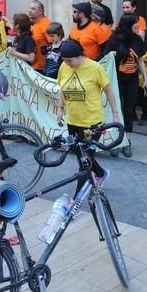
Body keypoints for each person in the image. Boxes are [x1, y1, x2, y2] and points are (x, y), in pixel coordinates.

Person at [55, 39, 120, 194]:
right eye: (64, 61)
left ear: (79, 56)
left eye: (70, 60)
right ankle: (101, 173)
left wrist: (115, 114)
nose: (68, 64)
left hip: (92, 124)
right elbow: (62, 89)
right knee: (82, 157)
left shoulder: (95, 68)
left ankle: (76, 199)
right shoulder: (64, 67)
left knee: (84, 162)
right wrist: (59, 108)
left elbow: (109, 91)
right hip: (73, 121)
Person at [103, 13, 147, 154]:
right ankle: (116, 141)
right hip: (116, 79)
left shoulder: (137, 40)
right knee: (117, 109)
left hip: (132, 79)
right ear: (129, 24)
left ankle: (127, 141)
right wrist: (113, 55)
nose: (138, 26)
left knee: (128, 109)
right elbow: (106, 58)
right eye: (136, 23)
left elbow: (139, 59)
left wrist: (145, 78)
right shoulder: (114, 39)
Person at [122, 0, 147, 124]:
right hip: (123, 69)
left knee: (140, 86)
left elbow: (141, 37)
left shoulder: (140, 20)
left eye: (128, 7)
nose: (125, 10)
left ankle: (144, 113)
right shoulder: (122, 22)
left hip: (137, 55)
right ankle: (130, 115)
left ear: (134, 8)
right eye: (123, 7)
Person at [28, 0, 51, 74]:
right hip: (32, 66)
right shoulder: (32, 23)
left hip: (43, 68)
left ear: (40, 12)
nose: (30, 11)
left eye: (33, 9)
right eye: (30, 9)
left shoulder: (46, 24)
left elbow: (54, 45)